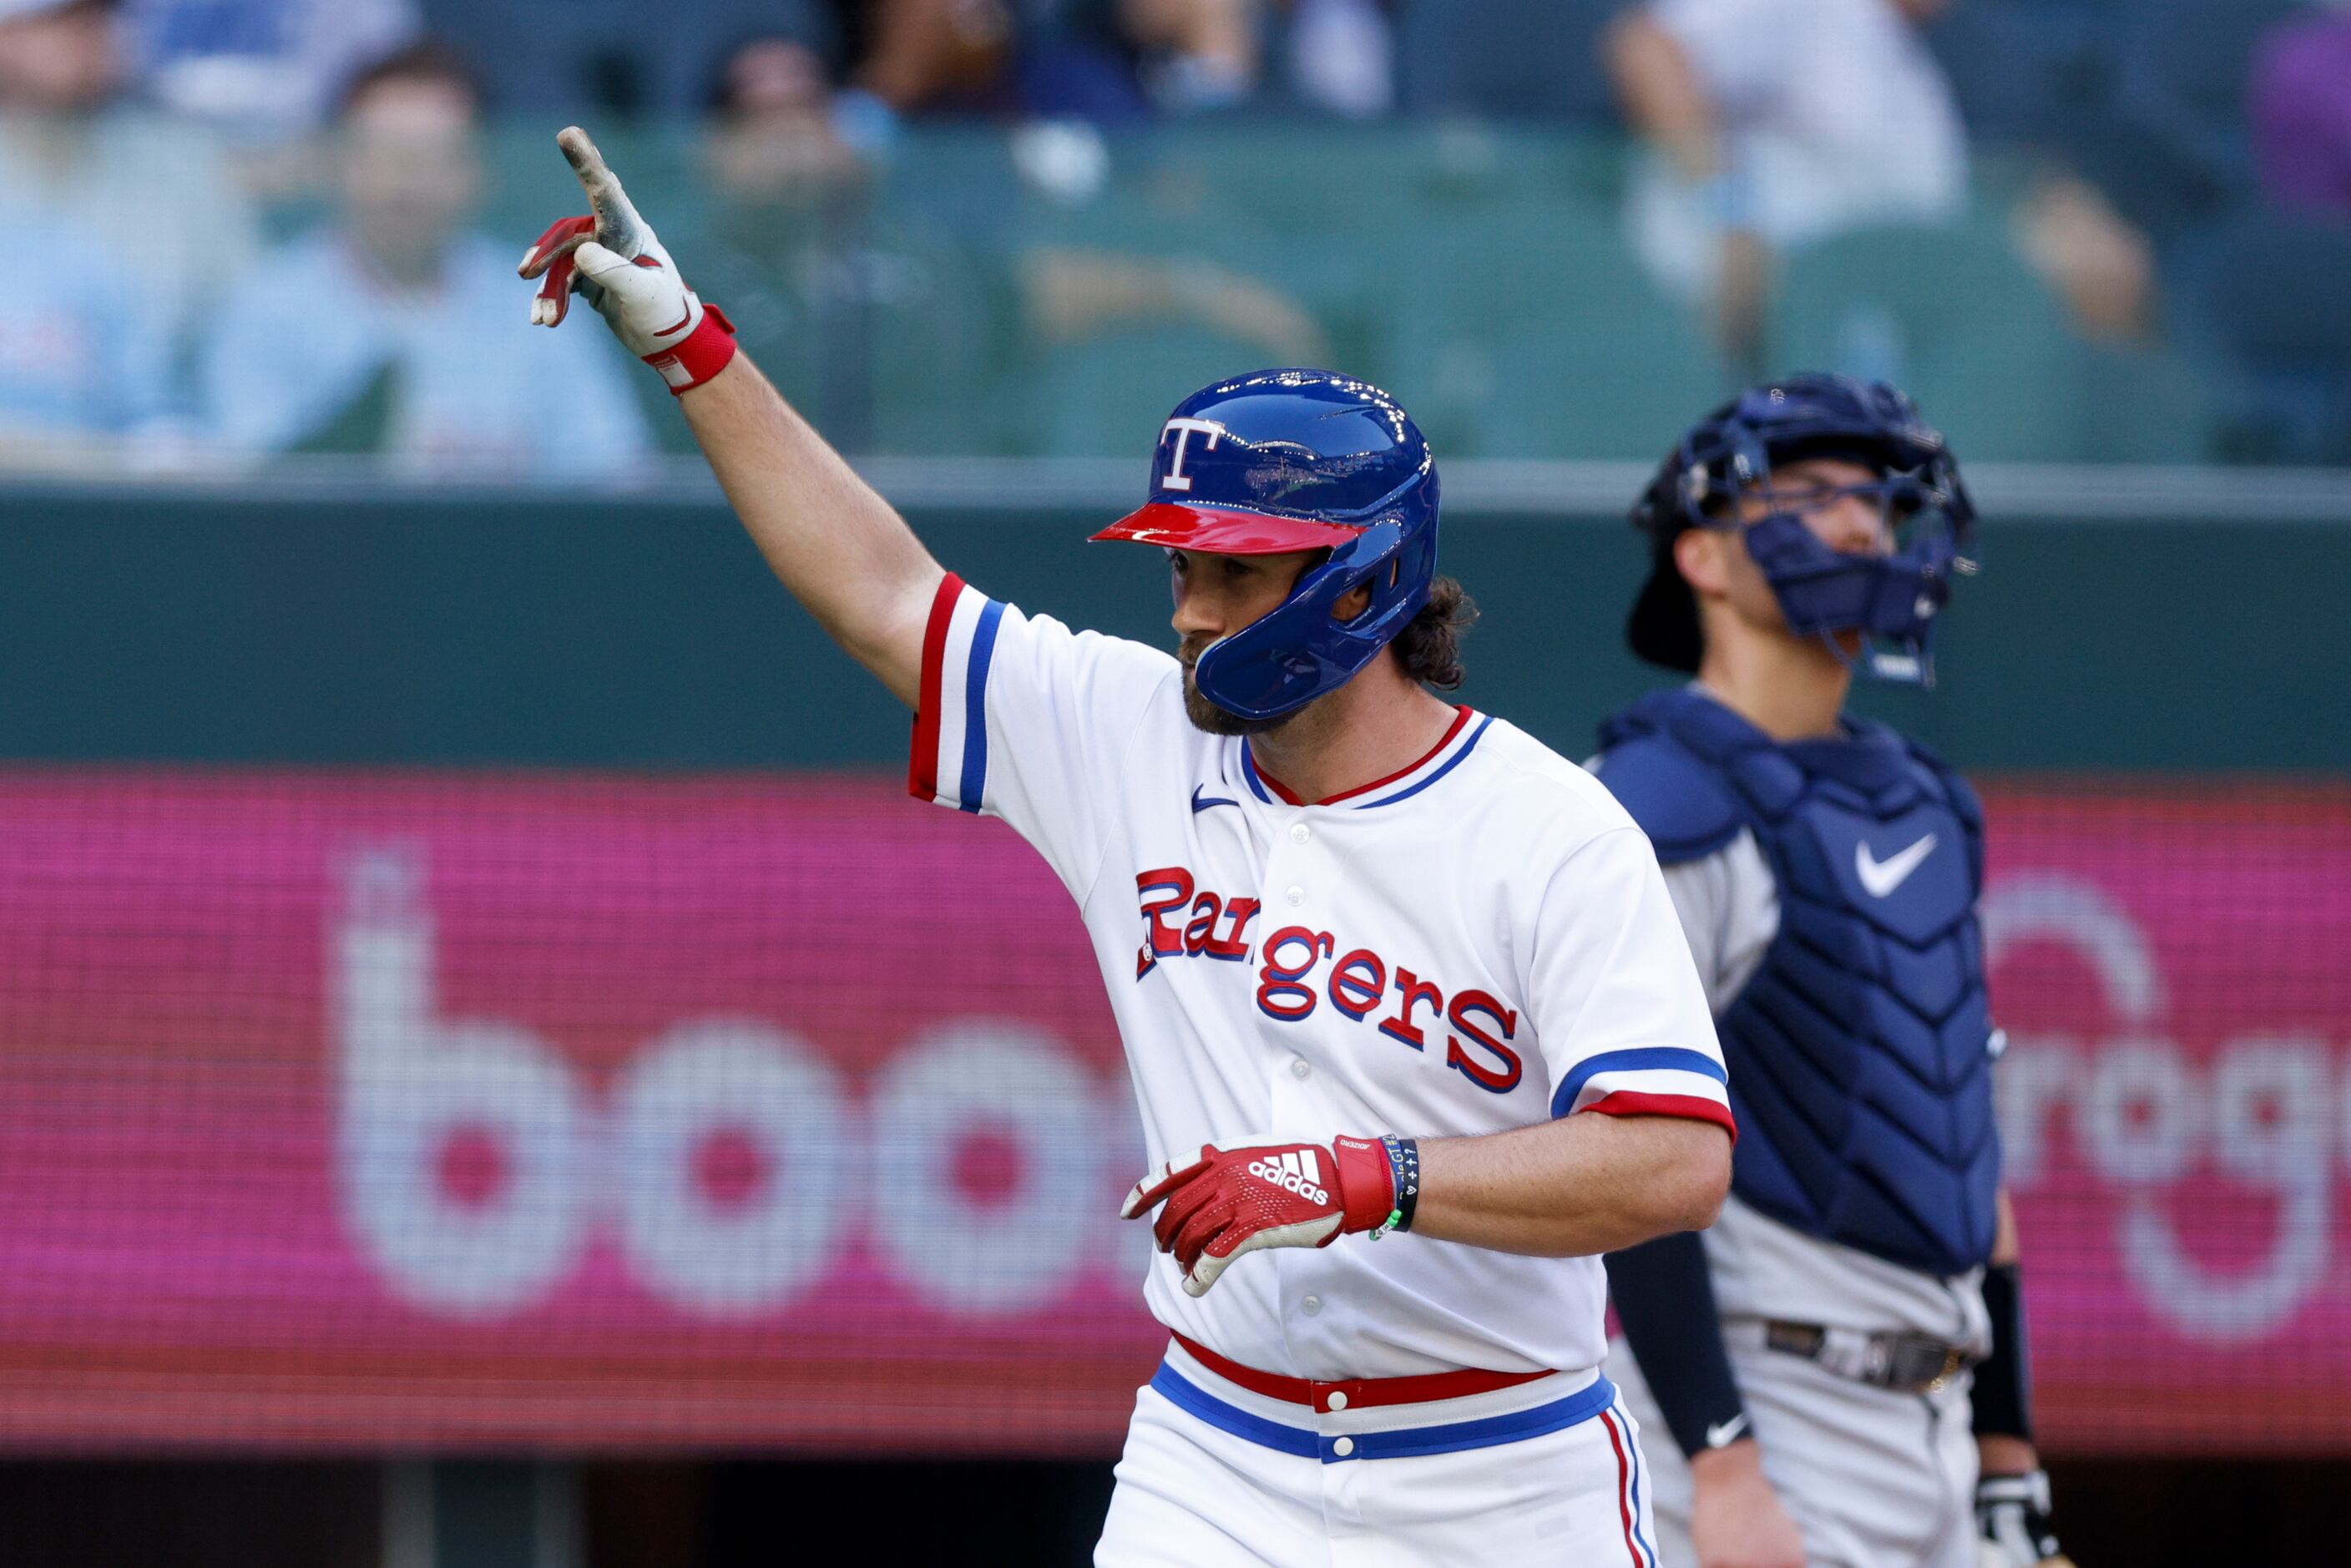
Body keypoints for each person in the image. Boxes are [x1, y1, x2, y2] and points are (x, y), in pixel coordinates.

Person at [520, 124, 1736, 1563]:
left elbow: (1671, 1160)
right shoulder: (1128, 727)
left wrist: (1367, 1177)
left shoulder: (1546, 828)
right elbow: (878, 589)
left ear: (1363, 580)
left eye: (1234, 569)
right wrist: (689, 343)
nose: (1191, 610)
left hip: (1502, 1469)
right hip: (1219, 1453)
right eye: (1180, 567)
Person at [1589, 374, 2070, 1568]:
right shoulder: (1654, 801)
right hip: (1763, 1413)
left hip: (1940, 1426)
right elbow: (1631, 1162)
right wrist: (1723, 1465)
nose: (1863, 526)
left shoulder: (1930, 800)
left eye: (1878, 501)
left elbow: (1962, 1140)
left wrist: (2009, 1460)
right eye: (1811, 495)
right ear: (1701, 555)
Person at [203, 43, 648, 478]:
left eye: (435, 159)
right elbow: (250, 499)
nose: (407, 185)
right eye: (385, 155)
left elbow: (614, 478)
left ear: (479, 171)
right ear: (337, 162)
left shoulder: (543, 300)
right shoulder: (265, 306)